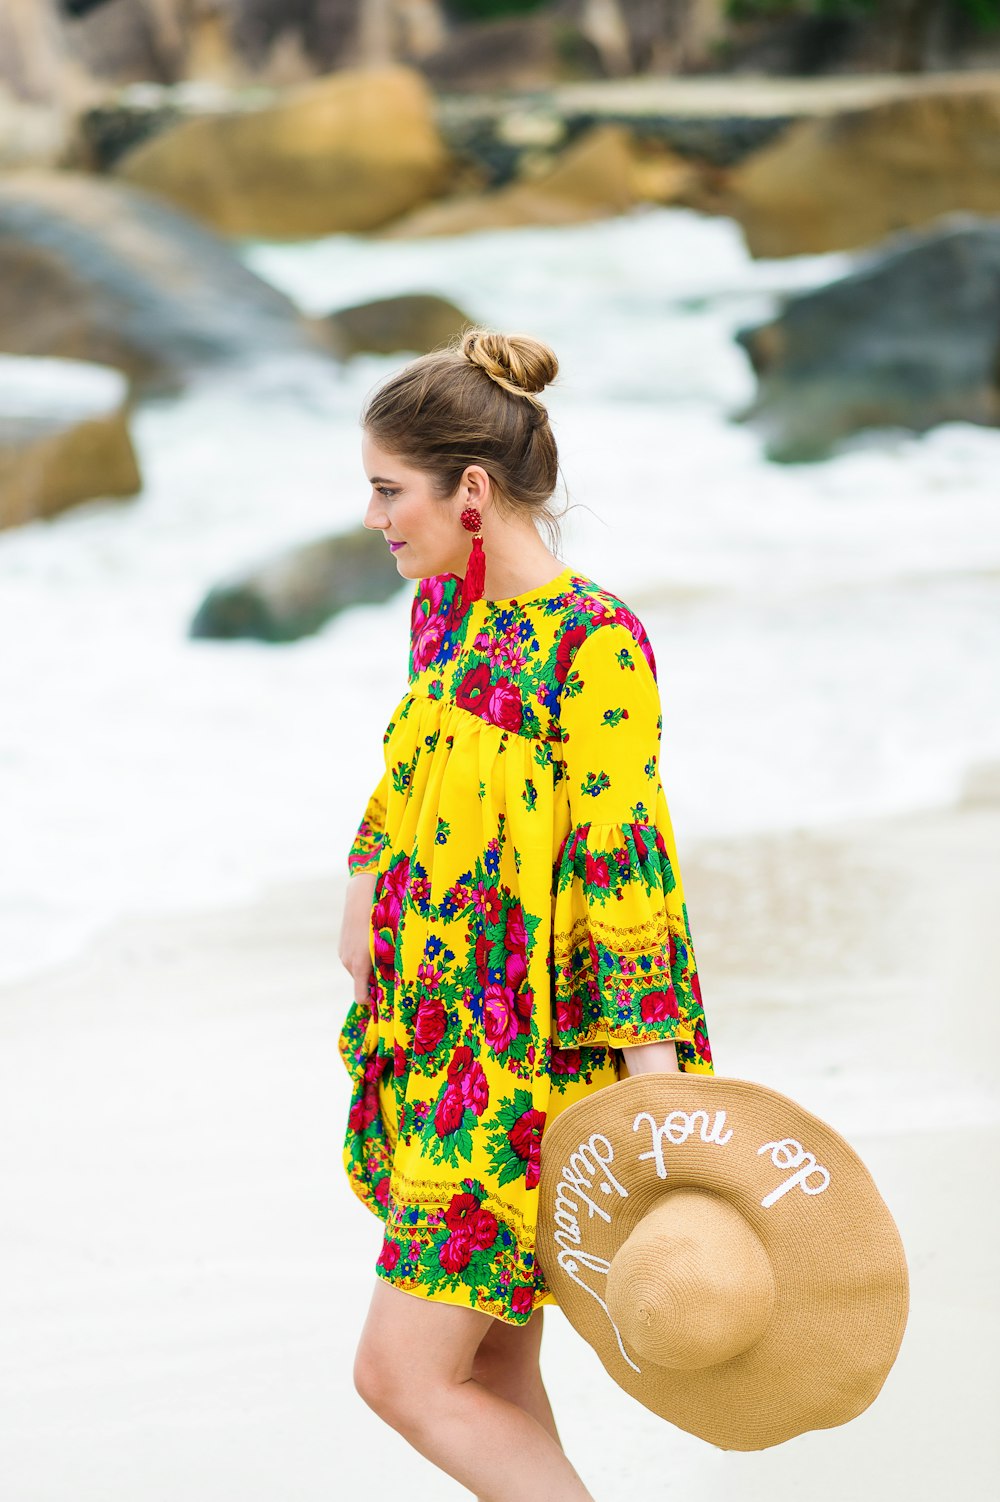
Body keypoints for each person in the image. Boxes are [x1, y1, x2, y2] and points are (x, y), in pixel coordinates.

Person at [336, 328, 713, 1502]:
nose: (372, 517)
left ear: (473, 491)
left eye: (389, 489)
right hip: (436, 1043)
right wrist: (361, 889)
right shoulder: (442, 610)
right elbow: (408, 767)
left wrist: (653, 1099)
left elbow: (626, 869)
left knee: (399, 1375)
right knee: (490, 1367)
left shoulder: (593, 645)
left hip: (520, 1072)